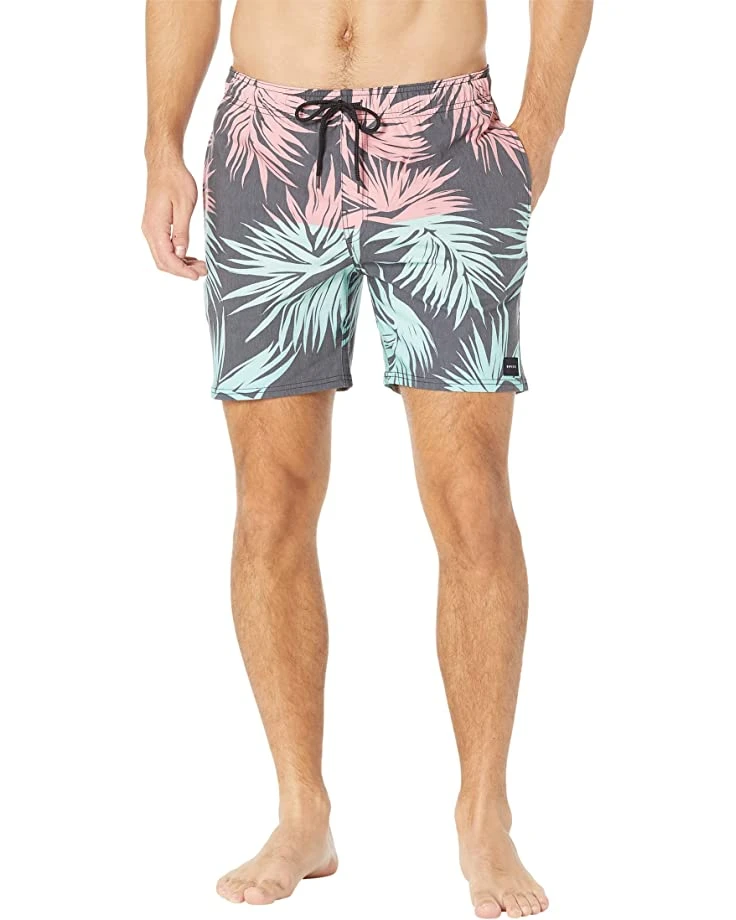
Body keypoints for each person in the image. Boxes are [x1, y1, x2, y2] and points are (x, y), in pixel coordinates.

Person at [142, 1, 592, 915]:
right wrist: (162, 142)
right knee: (270, 499)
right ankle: (300, 812)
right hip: (266, 139)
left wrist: (540, 126)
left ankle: (484, 814)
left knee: (470, 494)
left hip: (445, 138)